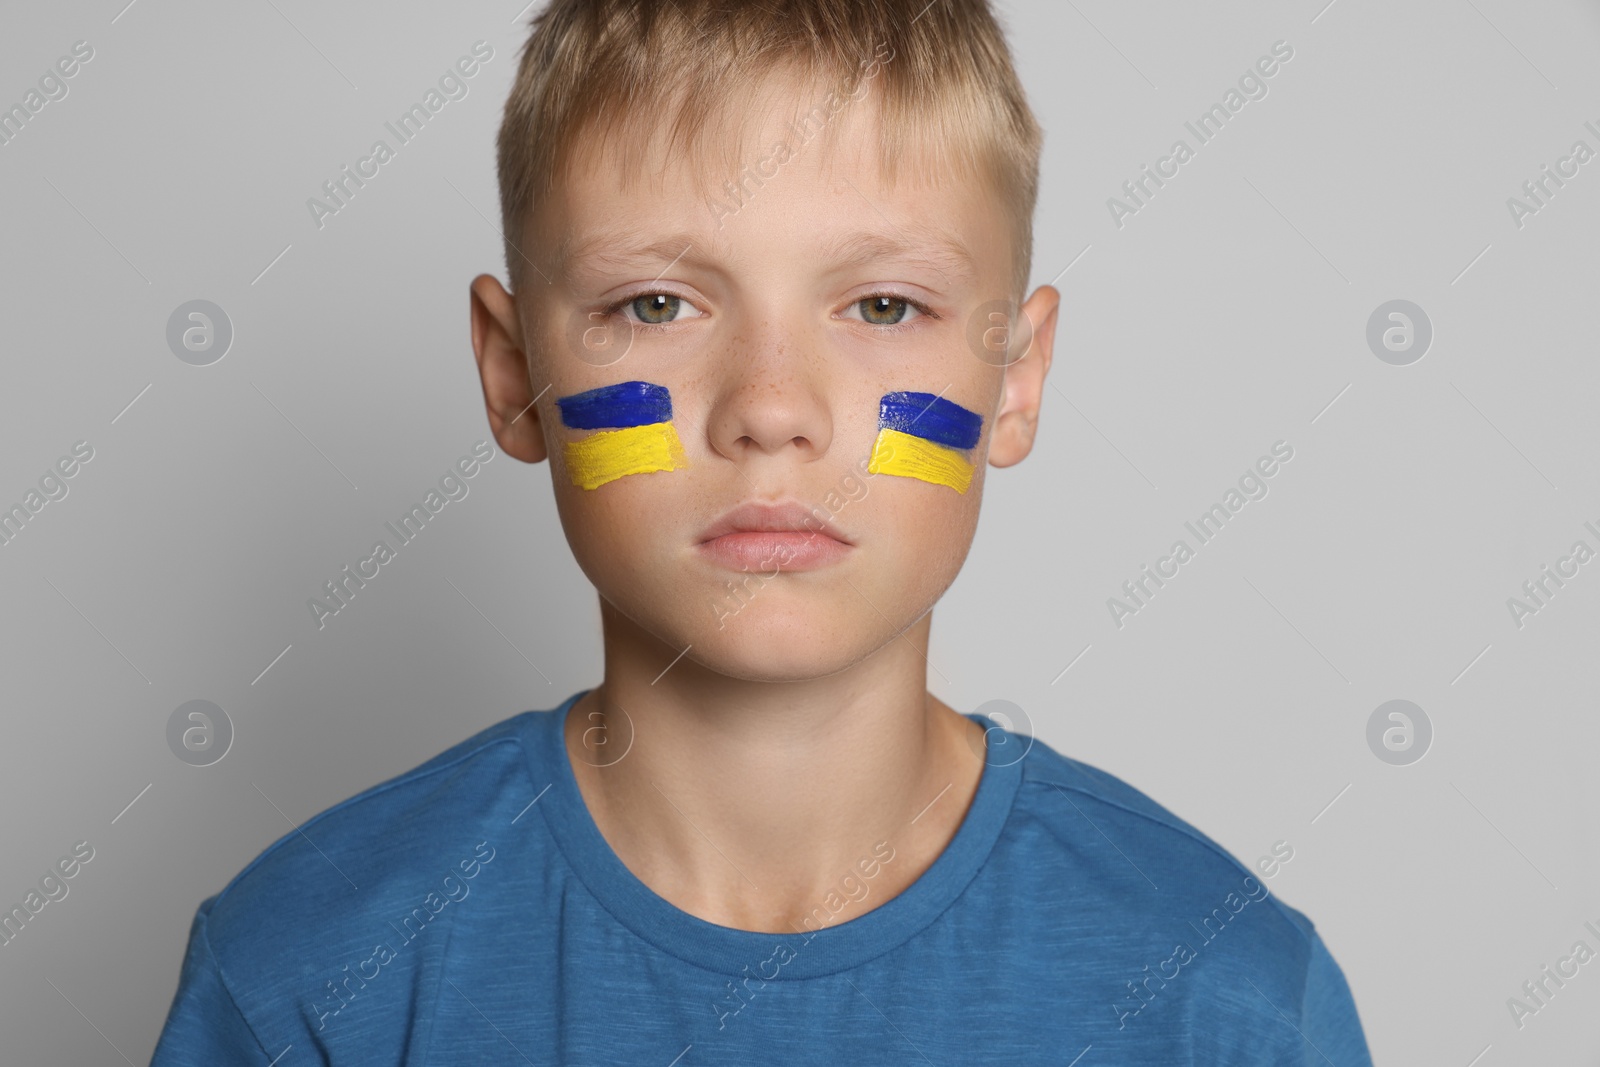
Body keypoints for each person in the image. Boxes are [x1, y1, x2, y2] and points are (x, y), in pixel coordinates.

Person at [151, 0, 1373, 1061]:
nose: (771, 407)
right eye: (656, 303)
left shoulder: (1228, 999)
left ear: (1017, 374)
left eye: (884, 303)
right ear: (514, 372)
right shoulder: (309, 974)